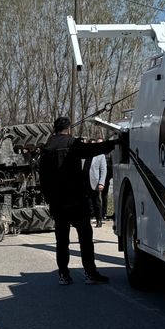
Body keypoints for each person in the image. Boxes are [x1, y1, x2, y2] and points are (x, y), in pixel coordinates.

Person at [40, 117, 121, 285]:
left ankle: (64, 274)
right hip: (75, 199)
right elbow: (92, 149)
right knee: (85, 237)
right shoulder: (72, 143)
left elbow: (43, 177)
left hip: (57, 201)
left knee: (62, 239)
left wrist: (49, 198)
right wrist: (114, 143)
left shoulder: (47, 147)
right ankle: (90, 273)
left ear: (55, 129)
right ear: (69, 129)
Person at [89, 153, 108, 228]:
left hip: (95, 182)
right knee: (86, 202)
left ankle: (99, 219)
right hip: (85, 182)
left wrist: (101, 183)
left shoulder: (101, 156)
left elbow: (103, 170)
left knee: (96, 201)